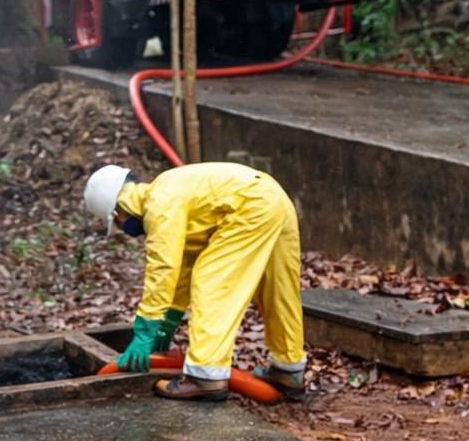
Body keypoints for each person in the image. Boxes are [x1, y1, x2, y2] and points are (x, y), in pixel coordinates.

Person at [83, 162, 306, 402]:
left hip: (249, 207)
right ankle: (288, 369)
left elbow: (163, 267)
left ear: (118, 213)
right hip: (274, 199)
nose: (123, 227)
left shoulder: (158, 204)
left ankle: (205, 375)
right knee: (277, 289)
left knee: (212, 283)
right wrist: (169, 319)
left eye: (119, 223)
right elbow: (185, 263)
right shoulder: (170, 191)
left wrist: (145, 329)